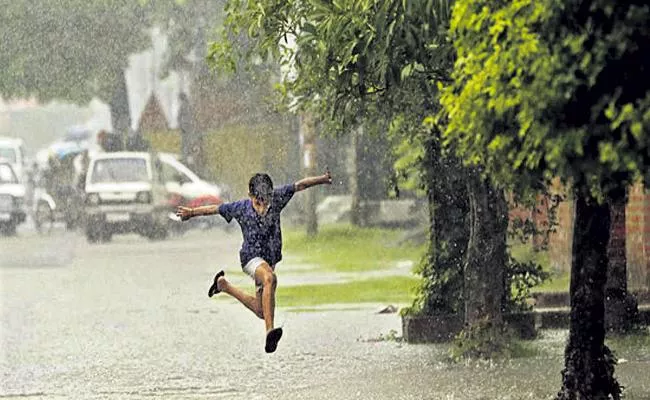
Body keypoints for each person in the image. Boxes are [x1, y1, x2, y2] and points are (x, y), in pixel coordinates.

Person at [175, 171, 332, 353]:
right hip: (251, 258)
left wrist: (322, 179)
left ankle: (223, 285)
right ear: (251, 197)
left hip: (269, 259)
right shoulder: (240, 207)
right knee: (270, 279)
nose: (262, 208)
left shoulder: (277, 198)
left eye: (266, 202)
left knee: (261, 310)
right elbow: (215, 209)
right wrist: (192, 212)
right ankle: (269, 332)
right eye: (258, 203)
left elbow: (300, 185)